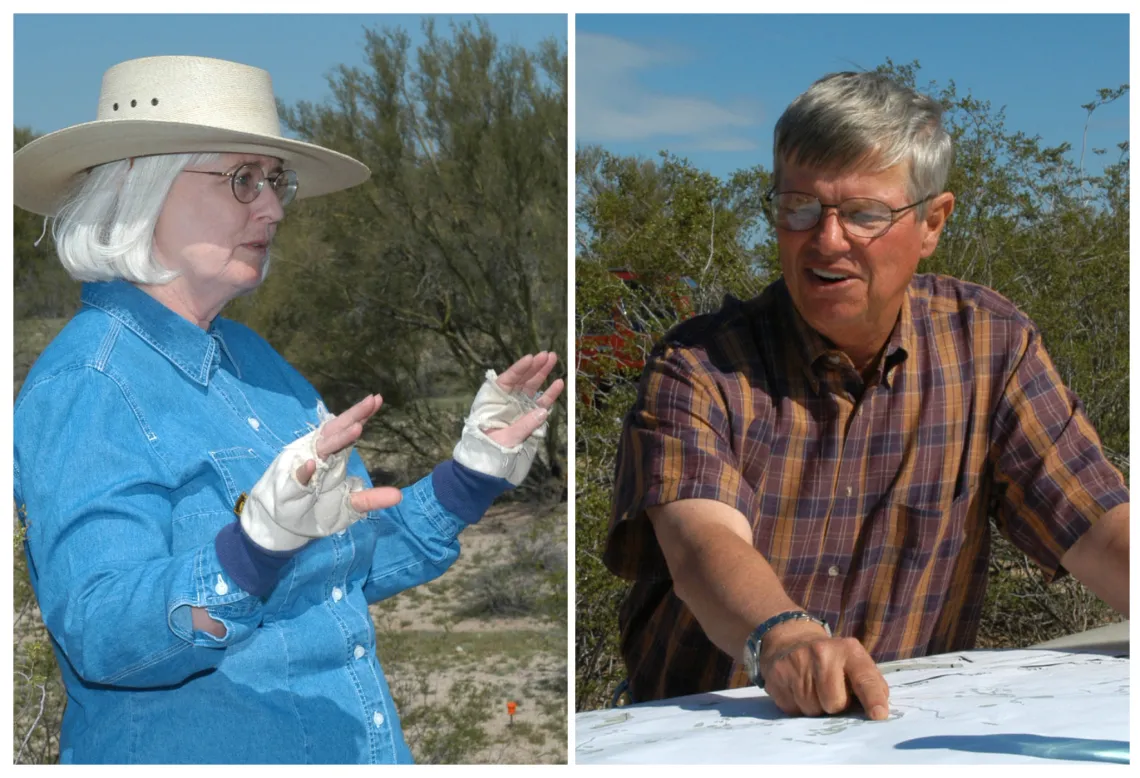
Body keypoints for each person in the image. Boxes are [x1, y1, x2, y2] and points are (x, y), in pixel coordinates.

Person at [13, 55, 564, 764]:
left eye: (277, 182)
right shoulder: (88, 382)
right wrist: (249, 552)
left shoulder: (258, 364)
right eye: (243, 178)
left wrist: (472, 474)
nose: (271, 207)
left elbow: (339, 568)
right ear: (136, 185)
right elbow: (100, 634)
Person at [604, 71, 1129, 718]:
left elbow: (1098, 523)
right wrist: (782, 637)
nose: (825, 241)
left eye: (863, 215)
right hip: (703, 738)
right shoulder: (701, 366)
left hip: (898, 736)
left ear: (933, 222)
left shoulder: (991, 348)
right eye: (798, 206)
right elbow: (702, 545)